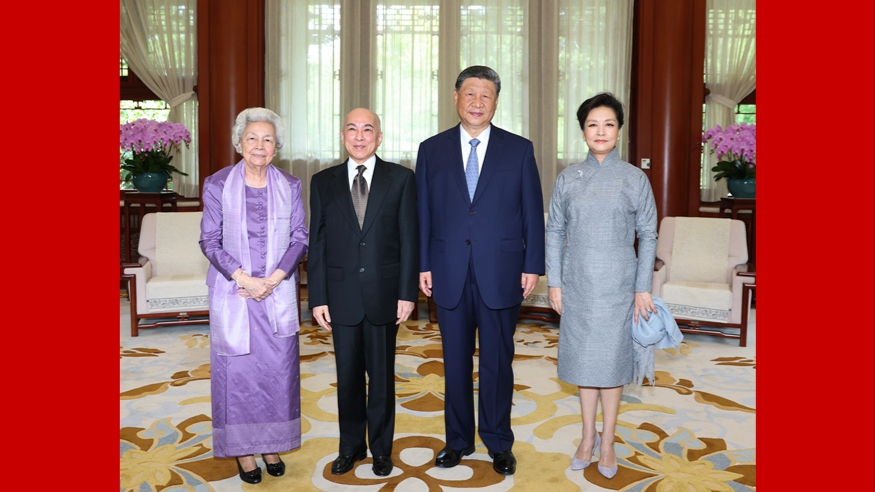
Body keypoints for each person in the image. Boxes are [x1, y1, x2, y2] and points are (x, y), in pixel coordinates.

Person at [416, 66, 545, 476]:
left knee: (497, 362)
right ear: (455, 98)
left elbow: (532, 212)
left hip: (502, 271)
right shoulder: (431, 149)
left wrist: (533, 264)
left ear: (496, 102)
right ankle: (457, 441)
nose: (477, 102)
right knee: (454, 362)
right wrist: (423, 264)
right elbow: (423, 213)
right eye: (469, 93)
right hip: (448, 270)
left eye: (485, 95)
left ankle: (498, 441)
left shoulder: (518, 149)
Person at [545, 93, 657, 480]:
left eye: (609, 124)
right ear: (582, 132)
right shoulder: (567, 178)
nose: (601, 131)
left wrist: (643, 287)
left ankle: (607, 440)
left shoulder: (634, 178)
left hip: (619, 284)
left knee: (611, 364)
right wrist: (555, 283)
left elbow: (648, 234)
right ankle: (587, 435)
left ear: (619, 131)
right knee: (584, 362)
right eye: (593, 125)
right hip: (577, 281)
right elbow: (554, 231)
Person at [199, 107, 309, 484]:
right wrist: (245, 279)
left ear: (276, 147)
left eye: (267, 139)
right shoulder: (216, 184)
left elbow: (300, 238)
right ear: (239, 143)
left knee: (277, 374)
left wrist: (273, 280)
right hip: (235, 293)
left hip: (276, 294)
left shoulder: (290, 185)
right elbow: (209, 241)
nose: (259, 146)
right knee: (239, 376)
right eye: (252, 138)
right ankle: (243, 451)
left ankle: (271, 444)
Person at [308, 108, 419, 477]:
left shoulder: (401, 178)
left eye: (367, 129)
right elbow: (317, 243)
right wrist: (318, 297)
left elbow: (409, 239)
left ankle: (382, 451)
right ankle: (351, 447)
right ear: (343, 136)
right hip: (340, 296)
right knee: (348, 378)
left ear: (379, 137)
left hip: (384, 294)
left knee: (382, 379)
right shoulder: (322, 181)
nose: (359, 136)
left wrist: (407, 293)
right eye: (352, 129)